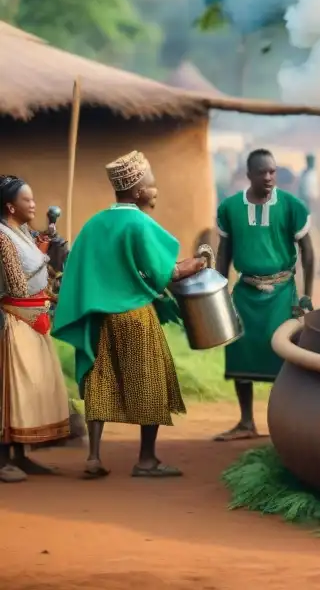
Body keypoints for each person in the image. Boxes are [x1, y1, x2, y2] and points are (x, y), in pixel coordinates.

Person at [53, 151, 207, 478]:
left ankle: (93, 456)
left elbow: (79, 270)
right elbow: (163, 273)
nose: (156, 189)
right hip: (135, 317)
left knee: (100, 381)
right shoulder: (139, 222)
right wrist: (197, 263)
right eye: (151, 184)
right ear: (137, 191)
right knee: (149, 382)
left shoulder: (94, 224)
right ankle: (147, 460)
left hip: (100, 320)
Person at [215, 149, 315, 441]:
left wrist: (305, 296)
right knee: (240, 353)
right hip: (245, 293)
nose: (269, 177)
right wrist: (219, 293)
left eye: (272, 171)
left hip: (283, 294)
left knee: (282, 356)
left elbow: (308, 251)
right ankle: (246, 422)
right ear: (249, 175)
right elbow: (224, 254)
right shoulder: (230, 208)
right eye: (262, 172)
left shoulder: (291, 206)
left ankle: (282, 425)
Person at [0, 176, 71, 483]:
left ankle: (21, 456)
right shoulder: (2, 238)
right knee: (11, 393)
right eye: (27, 200)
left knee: (27, 393)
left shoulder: (22, 232)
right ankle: (3, 460)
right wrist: (47, 260)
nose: (33, 204)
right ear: (10, 207)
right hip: (14, 322)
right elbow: (17, 284)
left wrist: (46, 243)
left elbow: (34, 263)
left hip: (33, 321)